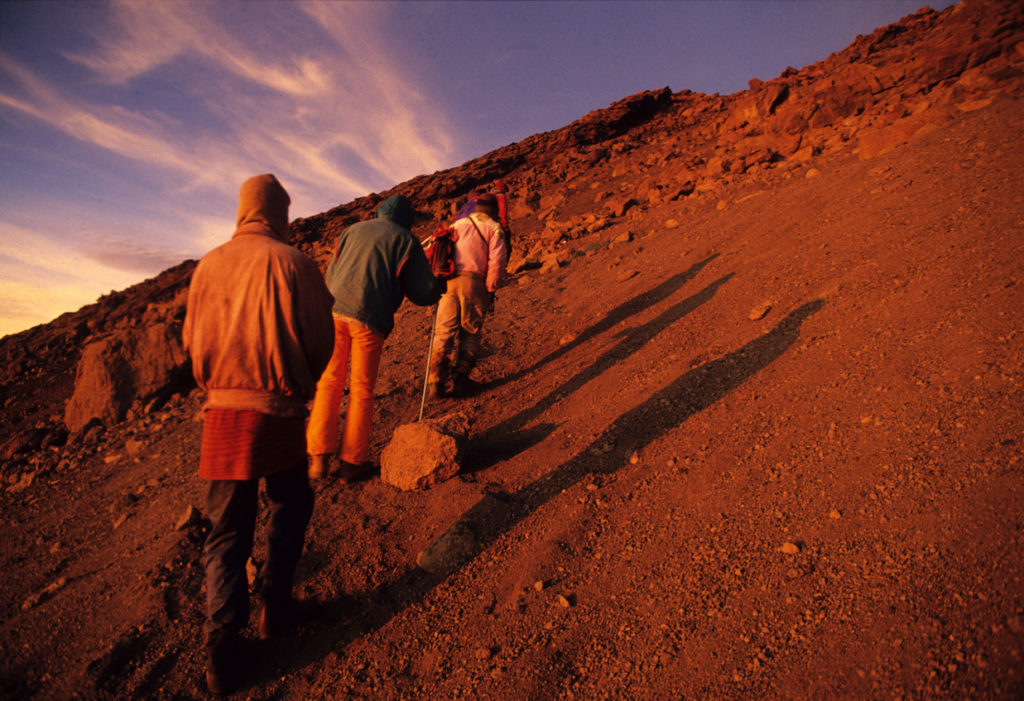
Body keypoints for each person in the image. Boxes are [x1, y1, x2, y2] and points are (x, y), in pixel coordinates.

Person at [182, 174, 335, 695]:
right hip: (279, 412)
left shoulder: (208, 265)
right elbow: (320, 339)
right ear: (279, 212)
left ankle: (222, 646)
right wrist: (300, 382)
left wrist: (218, 386)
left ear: (243, 210)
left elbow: (193, 344)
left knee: (226, 530)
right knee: (290, 500)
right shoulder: (294, 264)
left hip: (223, 416)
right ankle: (276, 603)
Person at [306, 194, 443, 480]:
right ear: (406, 218)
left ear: (379, 212)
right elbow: (422, 291)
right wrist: (436, 288)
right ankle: (351, 462)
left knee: (329, 382)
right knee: (361, 388)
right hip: (369, 319)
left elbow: (331, 275)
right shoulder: (406, 240)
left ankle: (318, 460)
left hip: (332, 313)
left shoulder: (350, 231)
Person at [427, 192, 509, 399]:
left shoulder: (458, 224)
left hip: (448, 283)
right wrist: (490, 289)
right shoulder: (494, 227)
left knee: (444, 331)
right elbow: (497, 262)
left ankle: (435, 381)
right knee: (470, 332)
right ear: (493, 210)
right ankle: (460, 380)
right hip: (474, 282)